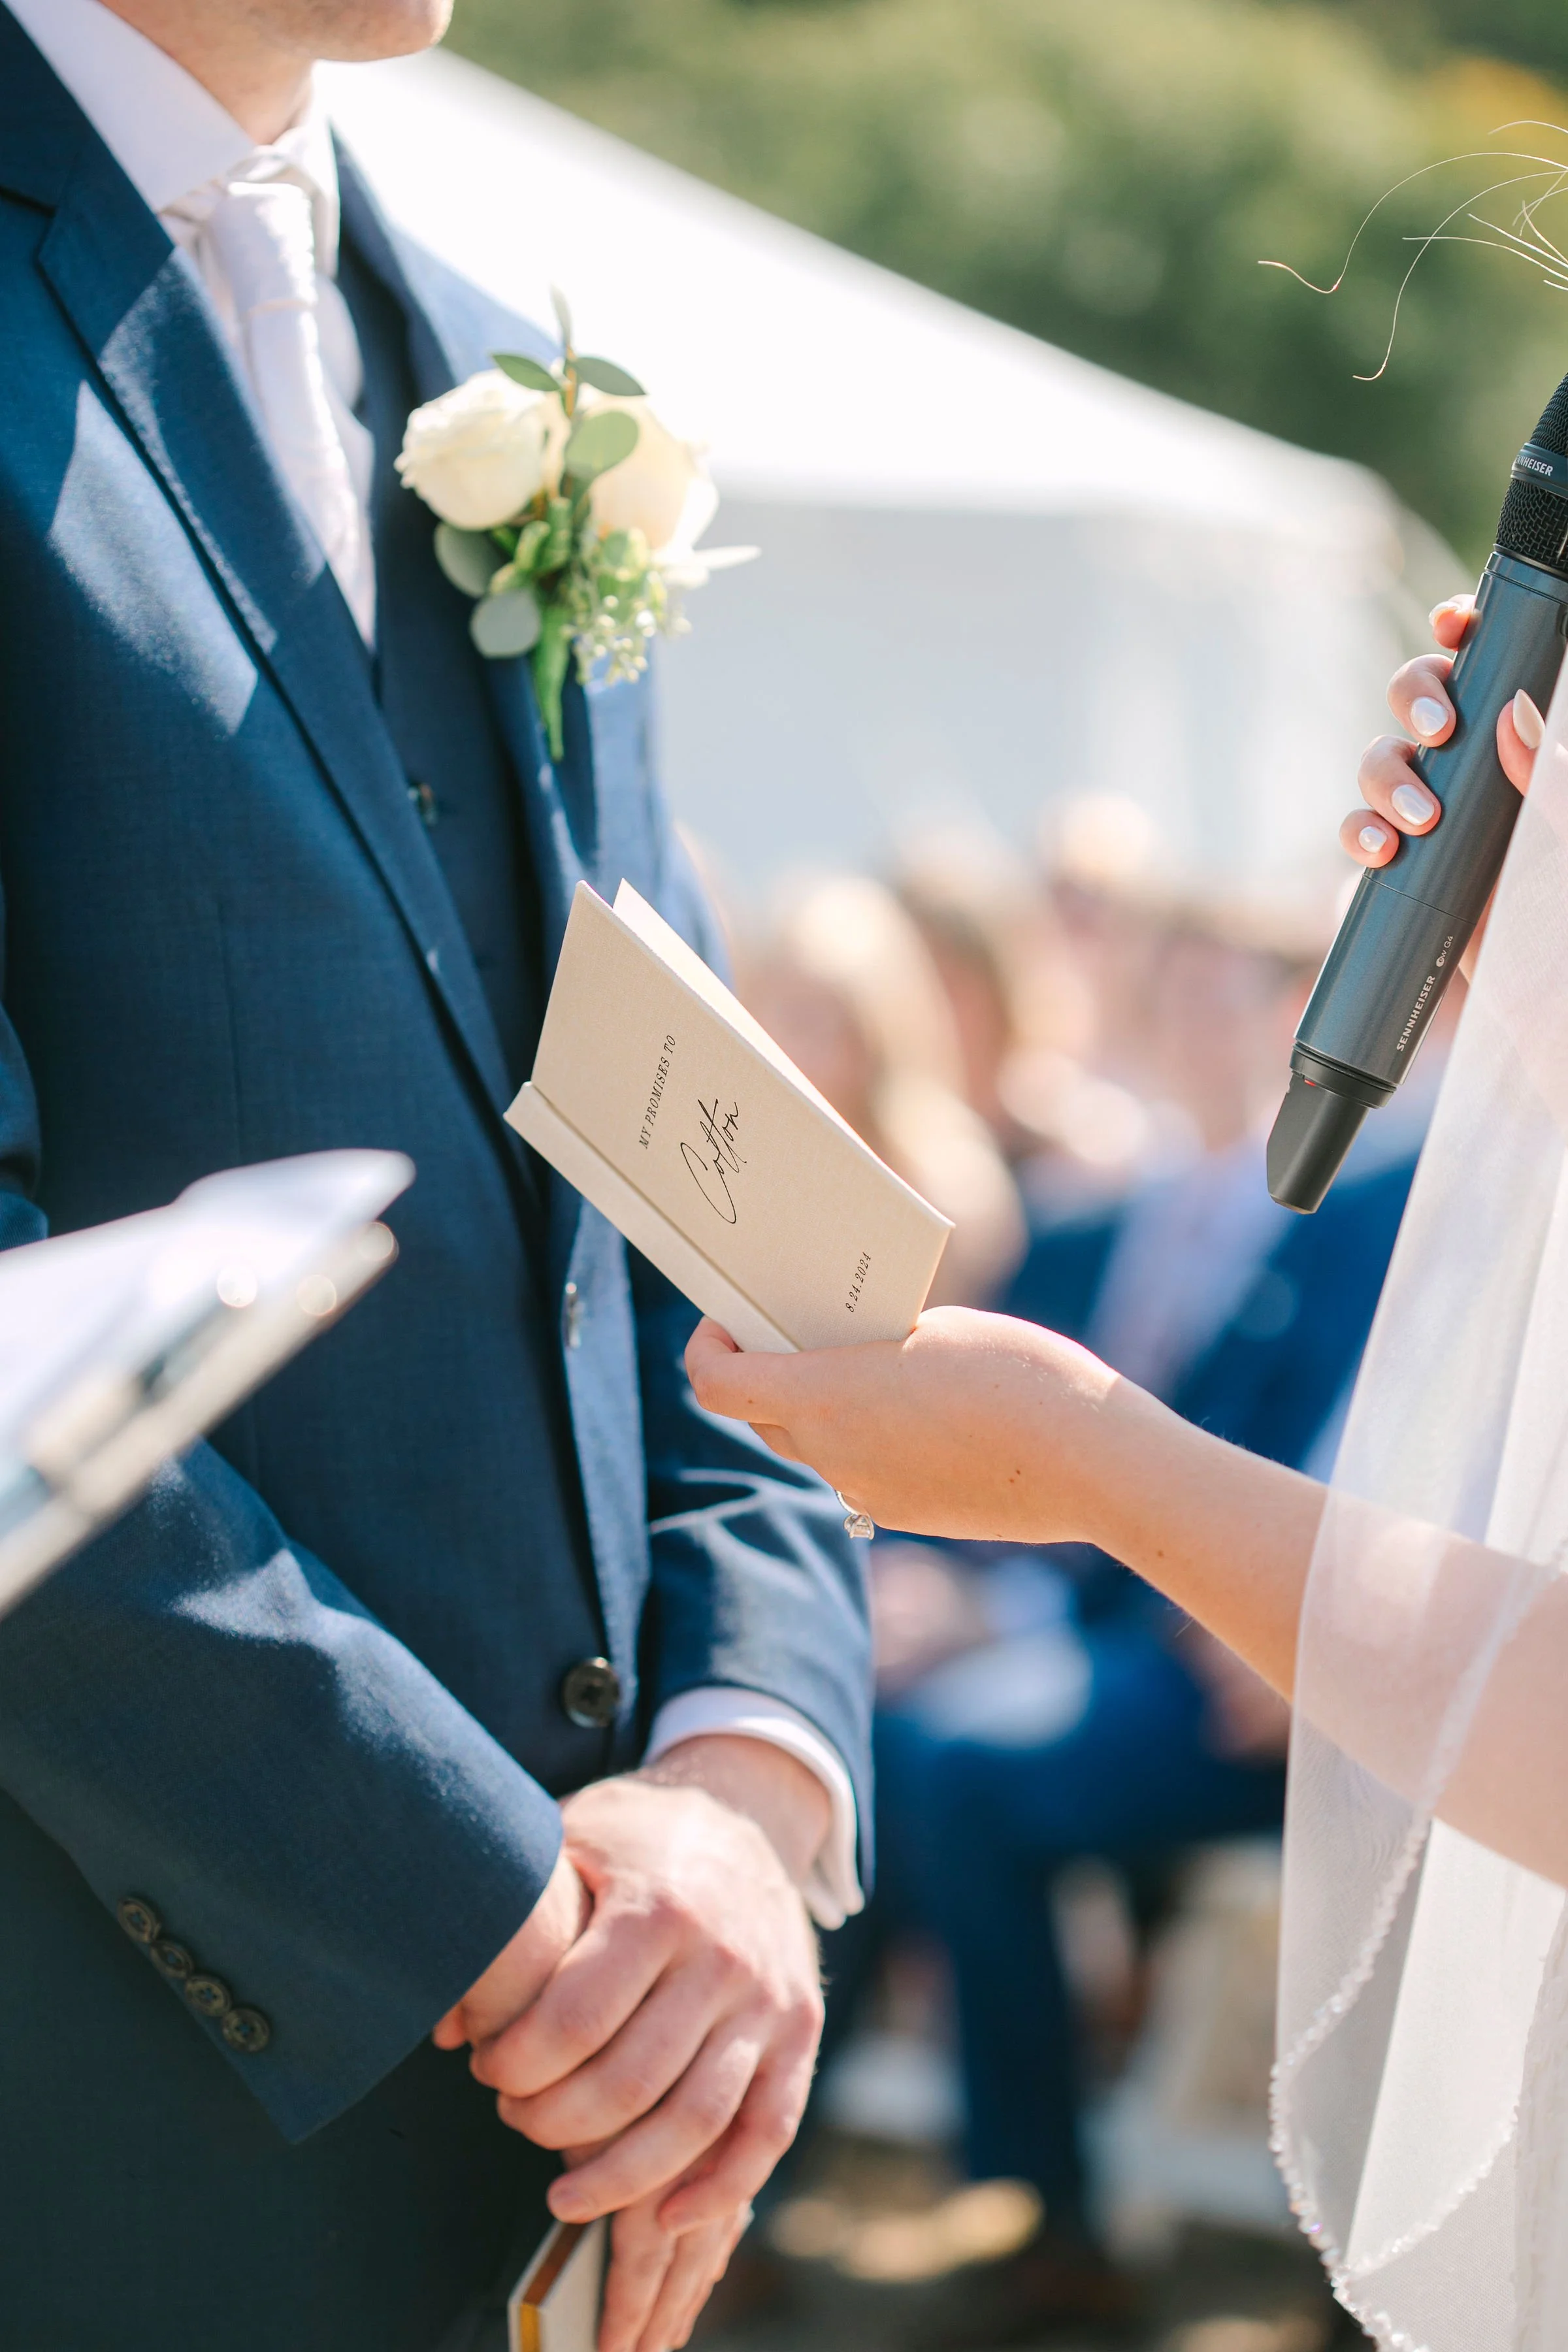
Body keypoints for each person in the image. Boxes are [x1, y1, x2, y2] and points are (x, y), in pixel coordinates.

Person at [0, 6, 872, 2350]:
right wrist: (509, 1926)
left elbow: (690, 1180)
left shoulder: (496, 365)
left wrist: (744, 1789)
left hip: (606, 2108)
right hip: (97, 2097)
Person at [689, 602, 1568, 2347]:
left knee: (961, 1766)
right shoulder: (1214, 1198)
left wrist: (1095, 1465)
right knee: (908, 1734)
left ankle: (1027, 2208)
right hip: (1239, 1633)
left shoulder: (1353, 1207)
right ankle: (819, 2173)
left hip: (1302, 1671)